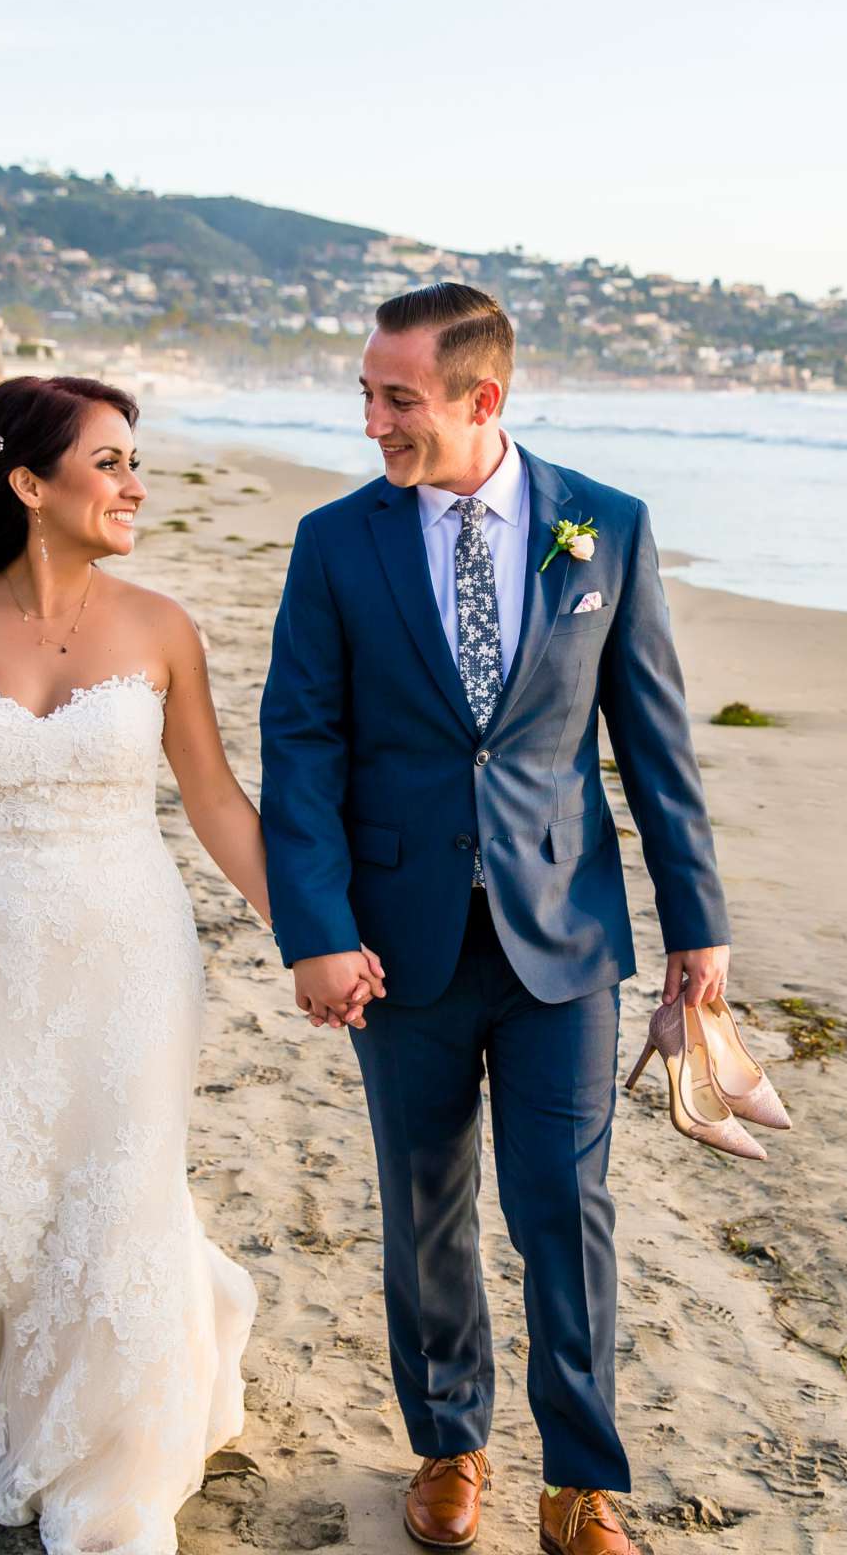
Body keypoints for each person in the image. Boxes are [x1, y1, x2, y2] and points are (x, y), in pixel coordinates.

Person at [0, 375, 347, 1555]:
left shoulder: (161, 627)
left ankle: (111, 1464)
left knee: (119, 1191)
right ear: (29, 485)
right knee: (2, 1189)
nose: (135, 482)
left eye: (134, 459)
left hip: (132, 954)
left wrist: (312, 935)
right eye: (110, 462)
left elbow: (214, 801)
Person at [260, 284, 732, 1554]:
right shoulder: (335, 541)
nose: (373, 422)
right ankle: (450, 1443)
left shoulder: (605, 527)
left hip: (563, 938)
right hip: (394, 940)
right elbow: (298, 745)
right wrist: (312, 925)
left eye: (397, 398)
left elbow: (655, 743)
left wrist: (699, 926)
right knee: (423, 1205)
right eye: (366, 394)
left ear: (483, 400)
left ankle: (581, 1478)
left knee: (564, 1210)